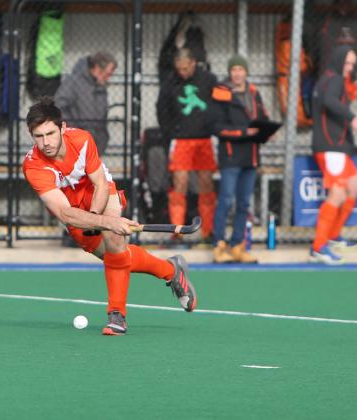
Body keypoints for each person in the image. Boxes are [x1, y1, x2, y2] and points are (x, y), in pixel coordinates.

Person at [22, 97, 197, 335]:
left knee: (114, 241)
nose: (45, 143)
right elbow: (65, 213)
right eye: (38, 137)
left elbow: (100, 184)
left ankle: (117, 315)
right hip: (73, 211)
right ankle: (171, 271)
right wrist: (103, 222)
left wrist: (102, 218)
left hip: (99, 192)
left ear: (62, 128)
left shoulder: (82, 140)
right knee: (117, 258)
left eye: (50, 134)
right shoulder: (34, 166)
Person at [309, 45, 357, 265]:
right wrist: (354, 119)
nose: (350, 68)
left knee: (354, 186)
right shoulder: (333, 80)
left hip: (337, 147)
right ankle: (318, 247)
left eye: (353, 64)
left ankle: (332, 236)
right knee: (337, 193)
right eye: (348, 63)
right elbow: (330, 102)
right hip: (330, 147)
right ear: (338, 60)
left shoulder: (329, 79)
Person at [209, 55, 269, 264]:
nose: (237, 73)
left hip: (251, 157)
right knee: (225, 200)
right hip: (231, 157)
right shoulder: (221, 92)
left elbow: (262, 117)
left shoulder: (254, 93)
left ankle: (237, 245)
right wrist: (245, 132)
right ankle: (218, 244)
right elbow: (217, 127)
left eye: (240, 69)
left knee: (244, 204)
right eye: (233, 69)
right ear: (230, 72)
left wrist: (266, 129)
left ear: (246, 72)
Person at [156, 48, 217, 242]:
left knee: (206, 183)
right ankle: (178, 232)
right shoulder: (170, 81)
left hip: (205, 139)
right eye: (178, 69)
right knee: (179, 183)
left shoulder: (208, 79)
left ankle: (208, 231)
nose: (182, 73)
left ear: (193, 63)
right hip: (181, 140)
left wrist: (214, 126)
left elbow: (219, 106)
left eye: (185, 68)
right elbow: (161, 109)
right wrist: (170, 132)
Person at [54, 51, 116, 155]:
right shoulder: (73, 82)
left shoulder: (101, 86)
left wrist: (102, 138)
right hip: (73, 145)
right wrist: (75, 132)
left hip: (94, 147)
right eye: (108, 74)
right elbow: (58, 108)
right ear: (97, 68)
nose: (108, 78)